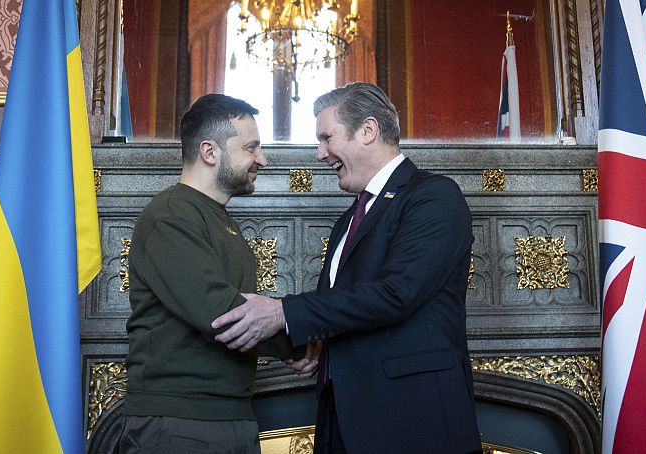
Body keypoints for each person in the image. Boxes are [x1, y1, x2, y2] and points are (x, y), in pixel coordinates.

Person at [212, 83, 482, 453]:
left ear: (368, 131)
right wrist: (317, 348)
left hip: (415, 422)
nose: (320, 153)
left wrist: (282, 312)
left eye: (326, 137)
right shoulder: (349, 219)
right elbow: (345, 306)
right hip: (346, 418)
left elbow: (396, 294)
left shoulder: (434, 197)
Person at [119, 94, 293, 454]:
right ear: (210, 152)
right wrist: (303, 344)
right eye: (251, 147)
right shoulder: (171, 215)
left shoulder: (219, 219)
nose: (262, 159)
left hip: (229, 417)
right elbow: (221, 312)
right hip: (180, 424)